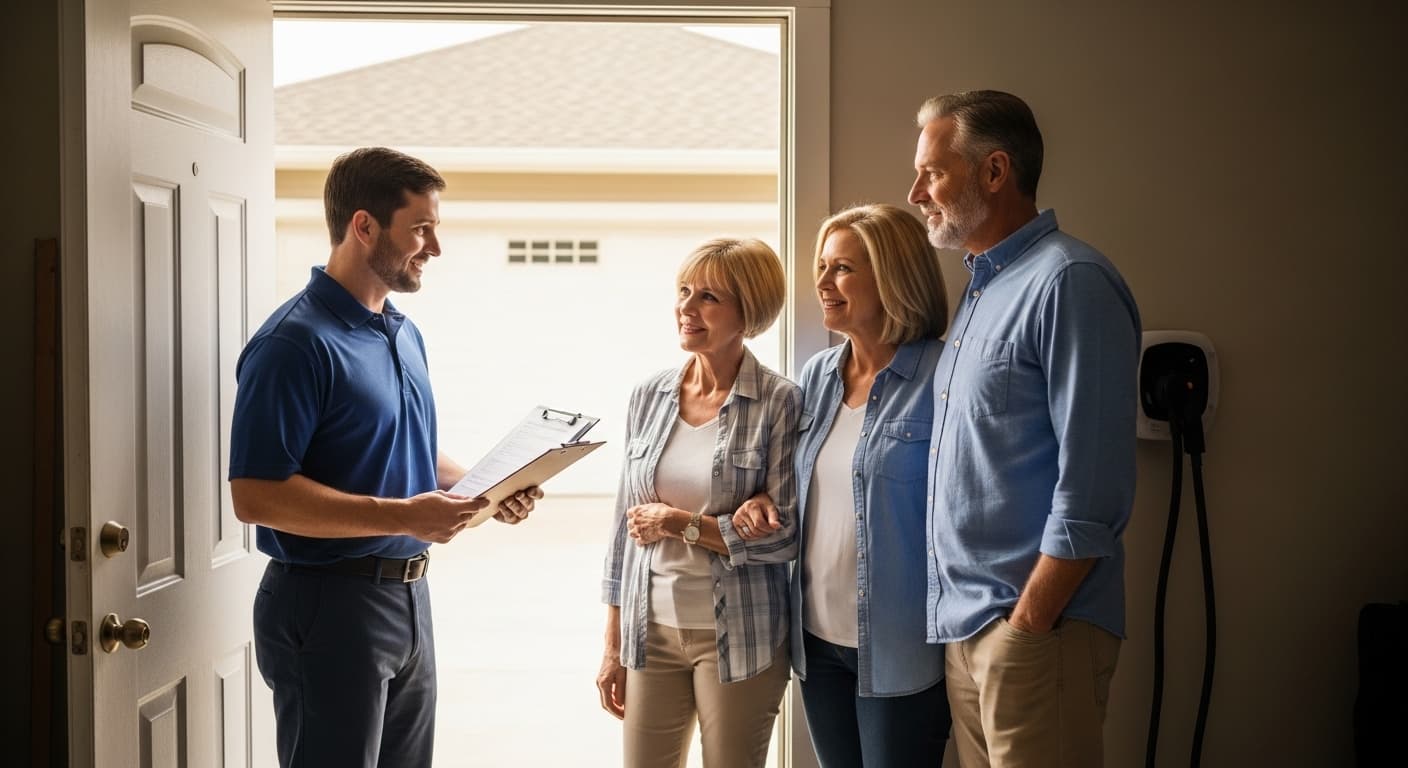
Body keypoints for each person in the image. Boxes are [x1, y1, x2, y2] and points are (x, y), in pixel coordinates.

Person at [228, 146, 541, 768]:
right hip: (326, 607)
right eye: (420, 228)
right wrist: (404, 516)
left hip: (408, 600)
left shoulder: (401, 330)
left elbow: (410, 450)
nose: (434, 247)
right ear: (363, 226)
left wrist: (491, 486)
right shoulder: (294, 343)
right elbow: (256, 496)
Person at [910, 90, 1141, 767]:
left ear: (994, 171)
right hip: (972, 630)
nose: (916, 191)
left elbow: (1094, 485)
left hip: (1039, 630)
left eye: (933, 172)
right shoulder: (981, 292)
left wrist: (1030, 625)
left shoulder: (1070, 281)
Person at [738, 203, 954, 765]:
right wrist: (763, 497)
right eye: (822, 265)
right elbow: (793, 481)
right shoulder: (817, 375)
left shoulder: (944, 375)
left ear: (892, 278)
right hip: (817, 639)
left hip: (902, 645)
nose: (823, 283)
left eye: (843, 268)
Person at [597, 238, 800, 768]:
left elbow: (784, 535)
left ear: (749, 311)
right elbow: (624, 532)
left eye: (708, 296)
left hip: (741, 637)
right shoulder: (648, 395)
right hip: (650, 632)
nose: (686, 308)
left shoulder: (779, 401)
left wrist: (680, 523)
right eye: (684, 291)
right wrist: (612, 646)